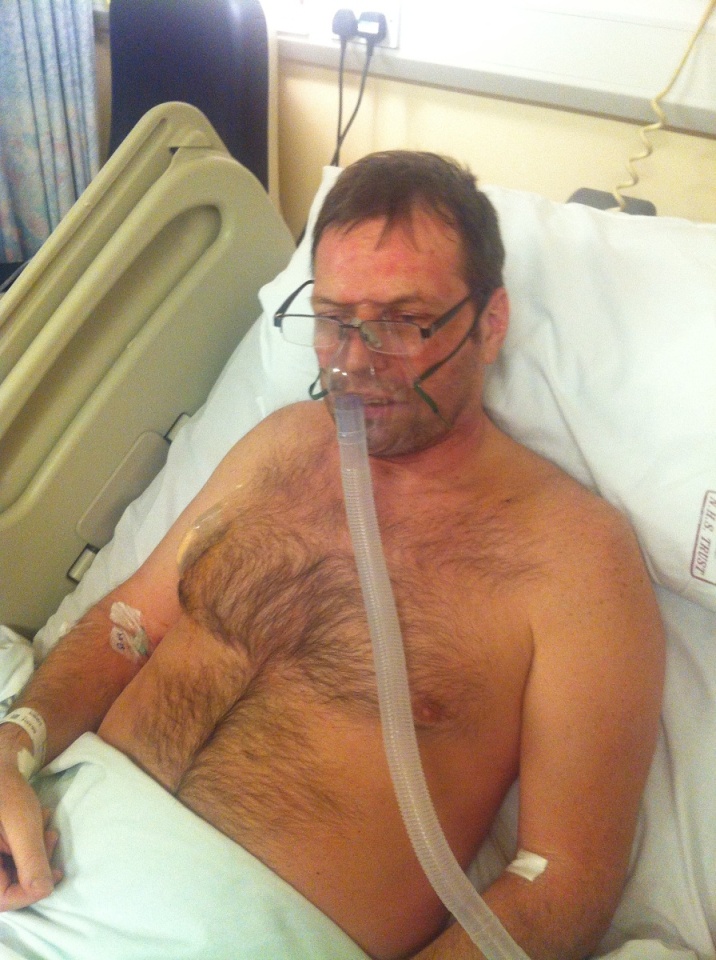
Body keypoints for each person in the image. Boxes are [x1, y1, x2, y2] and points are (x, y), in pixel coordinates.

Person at [0, 151, 665, 960]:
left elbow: (565, 881)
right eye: (333, 318)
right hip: (33, 867)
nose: (355, 359)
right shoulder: (283, 445)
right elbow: (128, 622)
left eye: (403, 320)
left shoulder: (574, 559)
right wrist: (15, 745)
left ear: (490, 323)